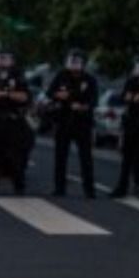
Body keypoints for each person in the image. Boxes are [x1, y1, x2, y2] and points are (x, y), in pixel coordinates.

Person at [48, 48, 99, 198]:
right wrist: (61, 95)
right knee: (60, 156)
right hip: (63, 120)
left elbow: (93, 101)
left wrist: (82, 106)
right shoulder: (61, 76)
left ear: (83, 63)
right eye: (72, 61)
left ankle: (89, 190)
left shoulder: (89, 79)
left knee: (86, 157)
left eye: (77, 62)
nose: (74, 65)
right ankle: (59, 188)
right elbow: (50, 93)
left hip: (82, 122)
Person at [0, 51, 32, 196]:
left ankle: (19, 187)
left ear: (12, 61)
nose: (2, 62)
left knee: (15, 156)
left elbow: (25, 96)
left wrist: (7, 94)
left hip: (13, 121)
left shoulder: (18, 76)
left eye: (5, 59)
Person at [111, 55, 139, 199]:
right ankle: (122, 187)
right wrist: (137, 98)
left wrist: (138, 99)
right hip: (131, 123)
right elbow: (126, 97)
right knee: (127, 158)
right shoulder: (131, 81)